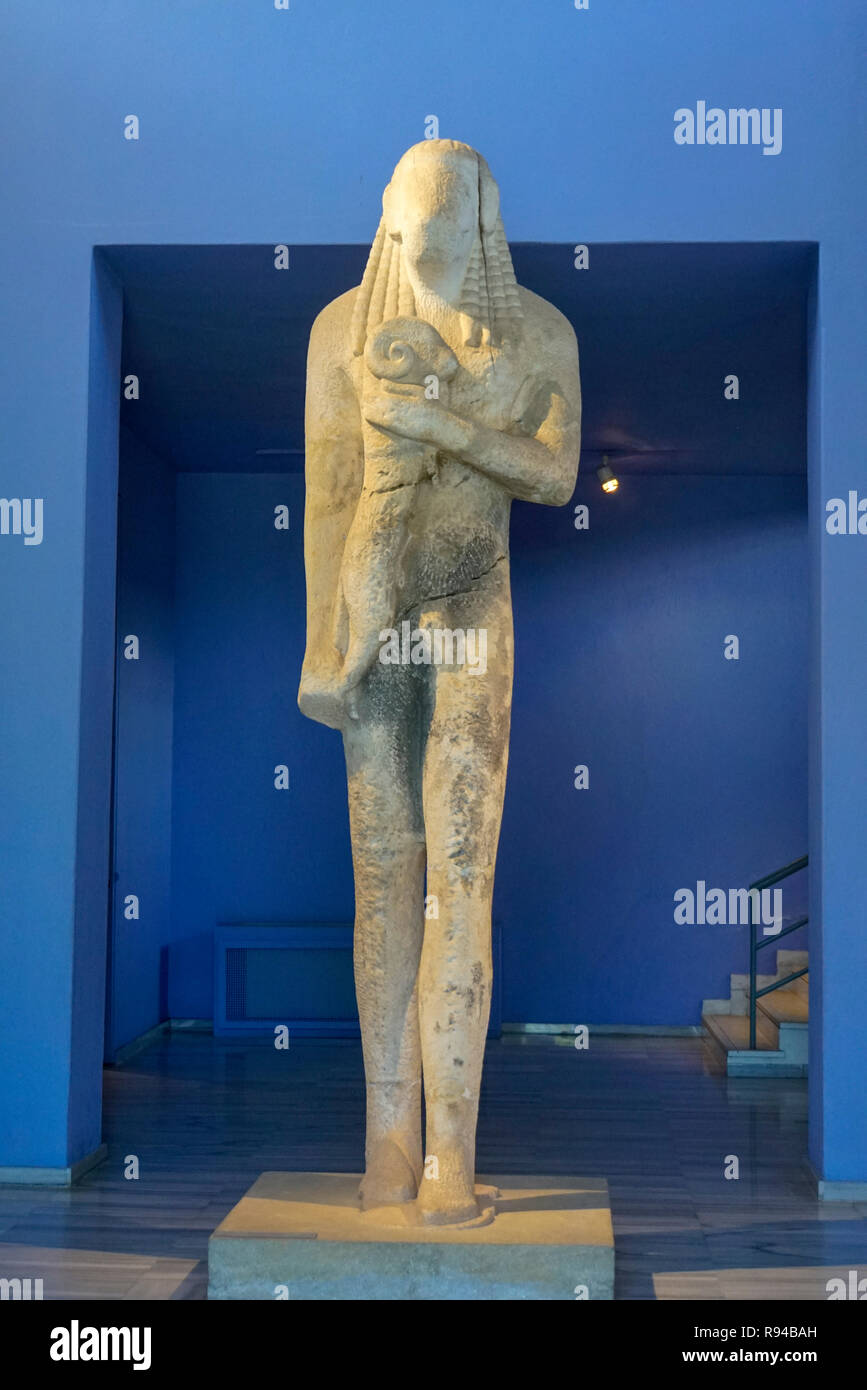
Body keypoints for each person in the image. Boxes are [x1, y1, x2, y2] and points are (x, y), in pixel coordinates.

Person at [299, 139, 581, 1224]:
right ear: (390, 231)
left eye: (448, 239)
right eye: (411, 241)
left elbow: (555, 473)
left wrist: (442, 426)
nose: (427, 259)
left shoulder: (539, 331)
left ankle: (446, 1160)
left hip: (471, 615)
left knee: (459, 880)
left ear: (484, 227)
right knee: (385, 880)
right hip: (374, 623)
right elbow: (329, 498)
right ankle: (385, 1148)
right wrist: (327, 645)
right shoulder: (339, 331)